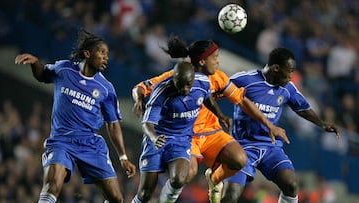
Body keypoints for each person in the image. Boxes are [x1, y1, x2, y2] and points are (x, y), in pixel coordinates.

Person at [132, 36, 288, 203]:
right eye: (215, 58)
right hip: (187, 136)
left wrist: (268, 124)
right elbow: (141, 87)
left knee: (240, 159)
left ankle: (214, 180)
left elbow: (241, 100)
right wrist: (139, 99)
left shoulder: (218, 78)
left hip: (212, 133)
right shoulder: (176, 77)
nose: (218, 61)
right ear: (202, 61)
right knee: (187, 173)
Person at [14, 30, 136, 203]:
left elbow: (113, 124)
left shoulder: (106, 88)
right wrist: (35, 63)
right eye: (101, 52)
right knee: (52, 184)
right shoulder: (64, 69)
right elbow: (42, 75)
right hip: (61, 141)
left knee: (116, 198)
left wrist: (123, 157)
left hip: (90, 144)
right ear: (87, 53)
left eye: (107, 54)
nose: (106, 57)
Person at [221, 47, 340, 203]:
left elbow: (302, 108)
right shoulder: (245, 80)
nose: (291, 77)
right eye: (289, 71)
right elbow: (217, 90)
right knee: (231, 195)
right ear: (276, 68)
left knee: (291, 184)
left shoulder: (287, 88)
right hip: (243, 146)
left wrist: (322, 124)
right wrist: (218, 115)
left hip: (271, 147)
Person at [131, 61, 222, 203]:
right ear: (174, 79)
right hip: (157, 139)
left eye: (188, 84)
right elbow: (147, 123)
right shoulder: (161, 91)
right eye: (181, 84)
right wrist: (154, 138)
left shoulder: (203, 83)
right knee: (145, 194)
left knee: (179, 178)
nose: (185, 89)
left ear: (193, 78)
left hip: (181, 140)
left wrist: (220, 116)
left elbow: (208, 98)